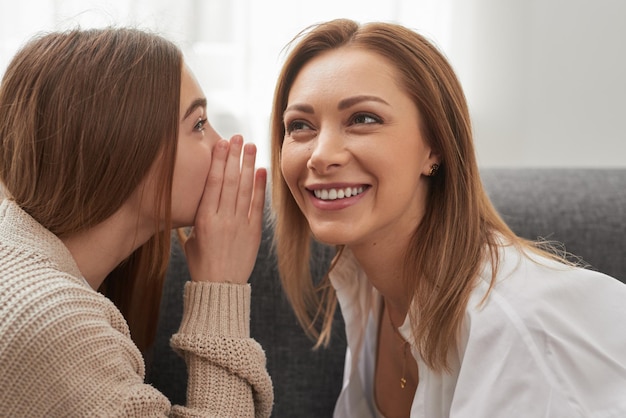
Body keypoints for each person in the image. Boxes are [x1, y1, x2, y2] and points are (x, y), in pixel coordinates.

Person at [269, 18, 626, 417]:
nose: (320, 155)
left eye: (363, 119)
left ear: (434, 147)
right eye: (300, 126)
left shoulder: (509, 327)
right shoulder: (370, 286)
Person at [0, 27, 273, 416]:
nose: (222, 144)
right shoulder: (54, 324)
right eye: (197, 124)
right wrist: (221, 288)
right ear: (121, 147)